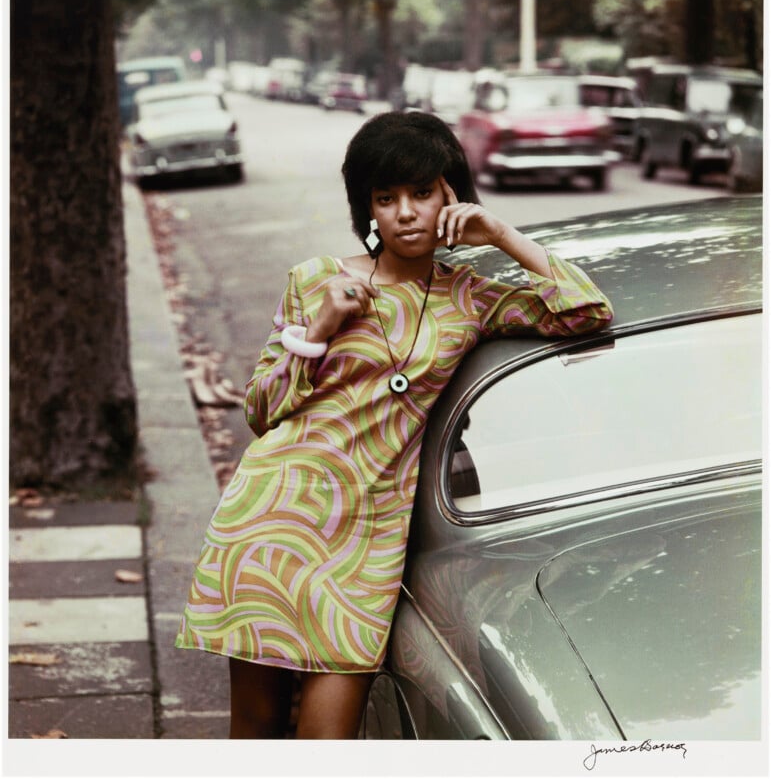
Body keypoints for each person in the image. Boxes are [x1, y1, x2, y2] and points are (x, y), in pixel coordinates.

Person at [175, 111, 614, 739]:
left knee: (327, 743)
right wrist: (318, 331)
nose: (405, 212)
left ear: (451, 196)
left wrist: (501, 233)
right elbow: (260, 410)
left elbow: (587, 311)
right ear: (369, 211)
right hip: (272, 523)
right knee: (257, 727)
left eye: (422, 193)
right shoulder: (315, 282)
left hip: (365, 542)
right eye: (386, 199)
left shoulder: (470, 297)